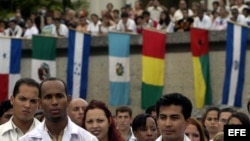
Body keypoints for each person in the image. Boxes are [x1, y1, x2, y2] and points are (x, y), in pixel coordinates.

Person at [18, 77, 98, 141]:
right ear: (39, 103)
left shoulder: (88, 139)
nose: (54, 102)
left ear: (68, 100)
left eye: (59, 96)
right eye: (48, 97)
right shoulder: (27, 139)